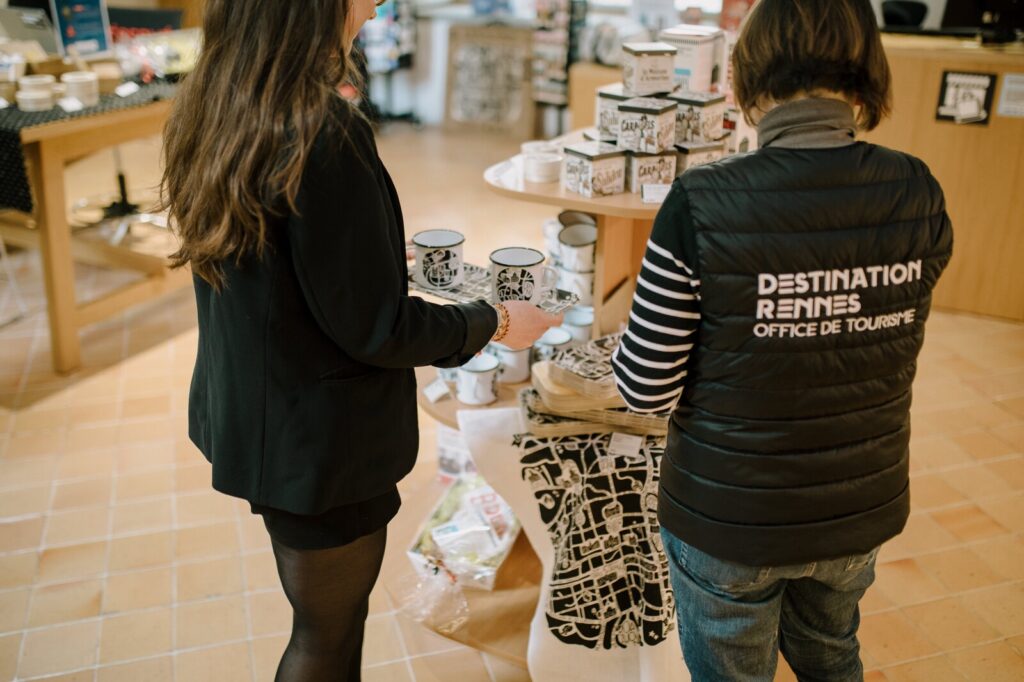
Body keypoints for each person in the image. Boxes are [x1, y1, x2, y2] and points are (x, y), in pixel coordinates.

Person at [160, 2, 561, 680]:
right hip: (318, 438)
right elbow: (378, 328)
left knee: (329, 626)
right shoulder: (322, 127)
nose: (373, 5)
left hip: (260, 411)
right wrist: (491, 321)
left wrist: (365, 253)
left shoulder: (220, 102)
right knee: (326, 634)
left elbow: (278, 262)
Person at [611, 1, 953, 679]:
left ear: (745, 80)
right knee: (832, 656)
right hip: (858, 505)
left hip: (730, 517)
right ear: (865, 77)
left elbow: (645, 387)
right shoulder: (917, 189)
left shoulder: (700, 201)